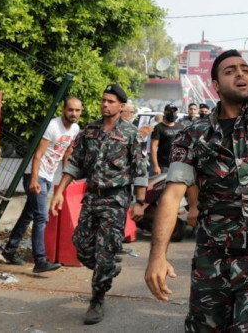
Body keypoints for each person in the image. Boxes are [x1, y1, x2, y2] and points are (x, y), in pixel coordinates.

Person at [144, 0, 248, 331]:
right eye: (230, 71)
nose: (241, 73)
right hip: (213, 260)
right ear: (215, 85)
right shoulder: (193, 134)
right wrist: (158, 255)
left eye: (244, 68)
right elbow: (172, 194)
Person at [50, 84, 146, 325]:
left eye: (111, 101)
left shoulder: (131, 134)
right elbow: (74, 163)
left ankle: (97, 298)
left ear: (121, 106)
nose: (105, 104)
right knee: (81, 246)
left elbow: (140, 171)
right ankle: (108, 268)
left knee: (104, 253)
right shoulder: (89, 130)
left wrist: (140, 203)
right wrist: (59, 192)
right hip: (91, 197)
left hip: (115, 200)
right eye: (103, 100)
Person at [2, 97, 82, 273]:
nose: (73, 113)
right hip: (36, 174)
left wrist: (66, 176)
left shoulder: (75, 129)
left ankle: (10, 250)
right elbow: (38, 154)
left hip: (48, 175)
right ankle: (40, 260)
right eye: (70, 110)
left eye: (77, 110)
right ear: (63, 109)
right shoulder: (53, 126)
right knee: (41, 217)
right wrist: (33, 180)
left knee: (28, 215)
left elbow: (68, 151)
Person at [150, 103, 184, 175]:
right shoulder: (158, 127)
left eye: (174, 111)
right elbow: (153, 147)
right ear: (164, 112)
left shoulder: (181, 126)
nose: (172, 113)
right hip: (163, 165)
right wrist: (156, 166)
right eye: (169, 111)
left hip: (178, 165)